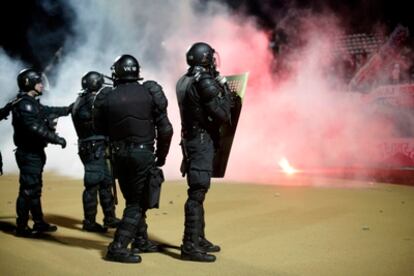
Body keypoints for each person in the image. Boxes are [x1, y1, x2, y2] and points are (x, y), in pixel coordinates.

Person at [93, 54, 173, 263]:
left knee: (132, 198)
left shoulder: (106, 96)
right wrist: (161, 156)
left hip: (118, 156)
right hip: (142, 153)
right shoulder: (149, 92)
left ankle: (141, 240)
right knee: (137, 203)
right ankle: (118, 246)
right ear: (137, 72)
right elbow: (166, 129)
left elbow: (99, 127)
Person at [176, 42, 232, 262]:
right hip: (200, 142)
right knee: (197, 193)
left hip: (190, 140)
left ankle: (198, 238)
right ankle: (189, 244)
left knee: (198, 192)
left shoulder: (184, 79)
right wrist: (225, 89)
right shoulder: (204, 81)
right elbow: (223, 115)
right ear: (206, 58)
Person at [11, 68, 72, 237]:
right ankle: (21, 226)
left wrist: (68, 109)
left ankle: (39, 222)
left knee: (35, 189)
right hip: (29, 153)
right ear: (28, 83)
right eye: (38, 82)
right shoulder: (25, 104)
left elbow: (47, 110)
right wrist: (56, 138)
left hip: (34, 152)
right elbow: (34, 128)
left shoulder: (30, 102)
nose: (41, 84)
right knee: (28, 190)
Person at [71, 71, 120, 233]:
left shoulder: (82, 99)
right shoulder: (91, 101)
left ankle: (110, 217)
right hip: (94, 147)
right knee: (92, 185)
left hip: (94, 147)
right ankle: (89, 222)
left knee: (105, 183)